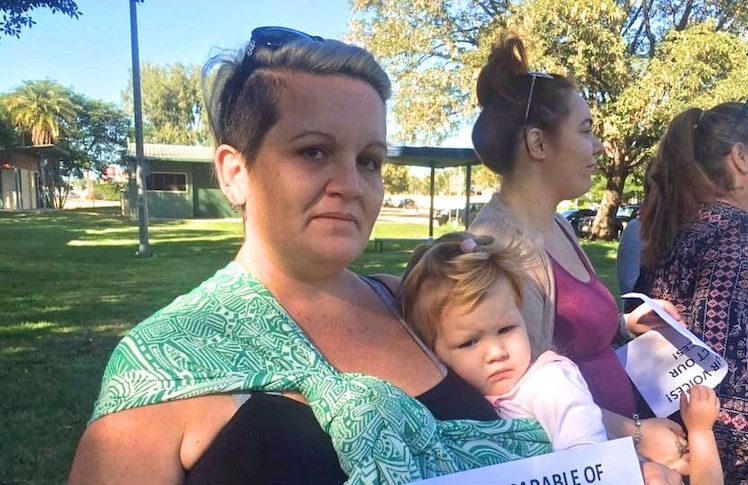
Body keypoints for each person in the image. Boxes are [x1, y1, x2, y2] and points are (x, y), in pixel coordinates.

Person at [68, 26, 555, 485]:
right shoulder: (162, 359)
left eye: (369, 160)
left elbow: (524, 395)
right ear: (235, 172)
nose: (351, 186)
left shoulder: (406, 302)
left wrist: (624, 437)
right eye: (313, 152)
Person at [467, 34, 689, 471]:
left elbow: (570, 337)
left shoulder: (556, 223)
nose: (600, 146)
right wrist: (639, 437)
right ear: (538, 144)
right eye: (586, 131)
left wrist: (624, 325)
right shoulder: (499, 248)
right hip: (587, 462)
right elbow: (517, 398)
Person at [400, 231, 722, 484]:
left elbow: (588, 464)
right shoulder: (463, 399)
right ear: (432, 352)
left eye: (506, 329)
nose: (497, 352)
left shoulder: (550, 384)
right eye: (470, 342)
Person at [636, 99, 748, 484]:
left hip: (680, 455)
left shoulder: (688, 228)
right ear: (741, 157)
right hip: (731, 471)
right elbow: (720, 384)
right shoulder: (739, 237)